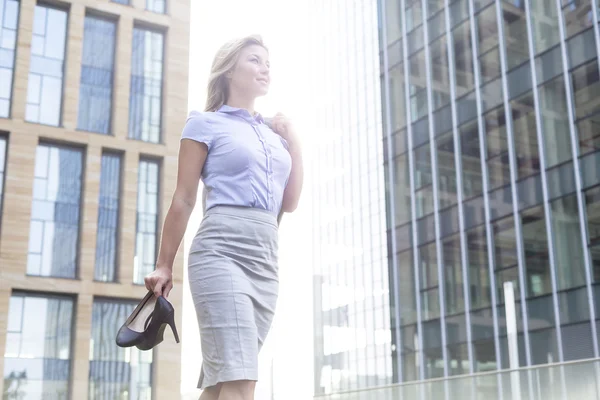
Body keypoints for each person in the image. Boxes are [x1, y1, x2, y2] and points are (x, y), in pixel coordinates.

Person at [143, 34, 303, 400]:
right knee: (241, 377)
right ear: (230, 69)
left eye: (267, 62)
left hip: (265, 257)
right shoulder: (204, 123)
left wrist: (294, 139)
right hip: (221, 251)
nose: (265, 68)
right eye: (255, 60)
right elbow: (183, 199)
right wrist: (165, 265)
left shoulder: (273, 135)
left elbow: (290, 202)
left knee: (222, 382)